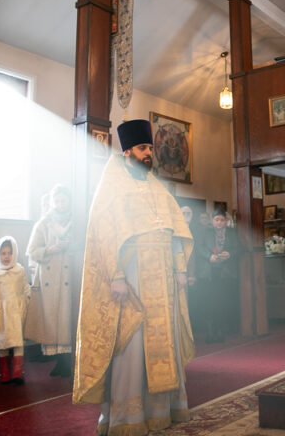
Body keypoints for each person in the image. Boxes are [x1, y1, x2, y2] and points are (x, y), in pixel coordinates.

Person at [73, 119, 195, 436]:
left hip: (163, 279)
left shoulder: (156, 187)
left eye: (151, 148)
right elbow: (104, 236)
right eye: (143, 148)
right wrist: (115, 276)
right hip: (133, 276)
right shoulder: (111, 189)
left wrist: (180, 268)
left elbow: (176, 233)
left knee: (163, 342)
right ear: (127, 151)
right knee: (133, 344)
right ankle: (129, 417)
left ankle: (162, 411)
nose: (148, 154)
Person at [24, 185, 74, 377]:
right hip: (50, 276)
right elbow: (32, 250)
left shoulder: (76, 222)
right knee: (52, 318)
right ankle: (59, 362)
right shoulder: (43, 223)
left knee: (67, 316)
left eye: (64, 200)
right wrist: (51, 249)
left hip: (70, 274)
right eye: (57, 201)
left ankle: (68, 361)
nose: (60, 205)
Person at [0, 236, 30, 384]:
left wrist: (27, 298)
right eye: (3, 253)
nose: (6, 256)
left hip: (17, 312)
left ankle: (18, 371)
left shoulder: (19, 270)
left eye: (9, 253)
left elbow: (25, 288)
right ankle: (4, 371)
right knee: (2, 341)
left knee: (18, 341)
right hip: (0, 313)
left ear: (14, 253)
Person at [193, 209, 242, 343]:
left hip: (226, 272)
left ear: (225, 221)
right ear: (212, 221)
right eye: (216, 220)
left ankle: (220, 330)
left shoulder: (232, 233)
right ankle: (210, 331)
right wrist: (209, 257)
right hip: (209, 273)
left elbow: (238, 248)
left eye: (222, 220)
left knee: (223, 302)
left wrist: (230, 254)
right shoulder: (205, 232)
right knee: (209, 302)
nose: (219, 223)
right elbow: (199, 247)